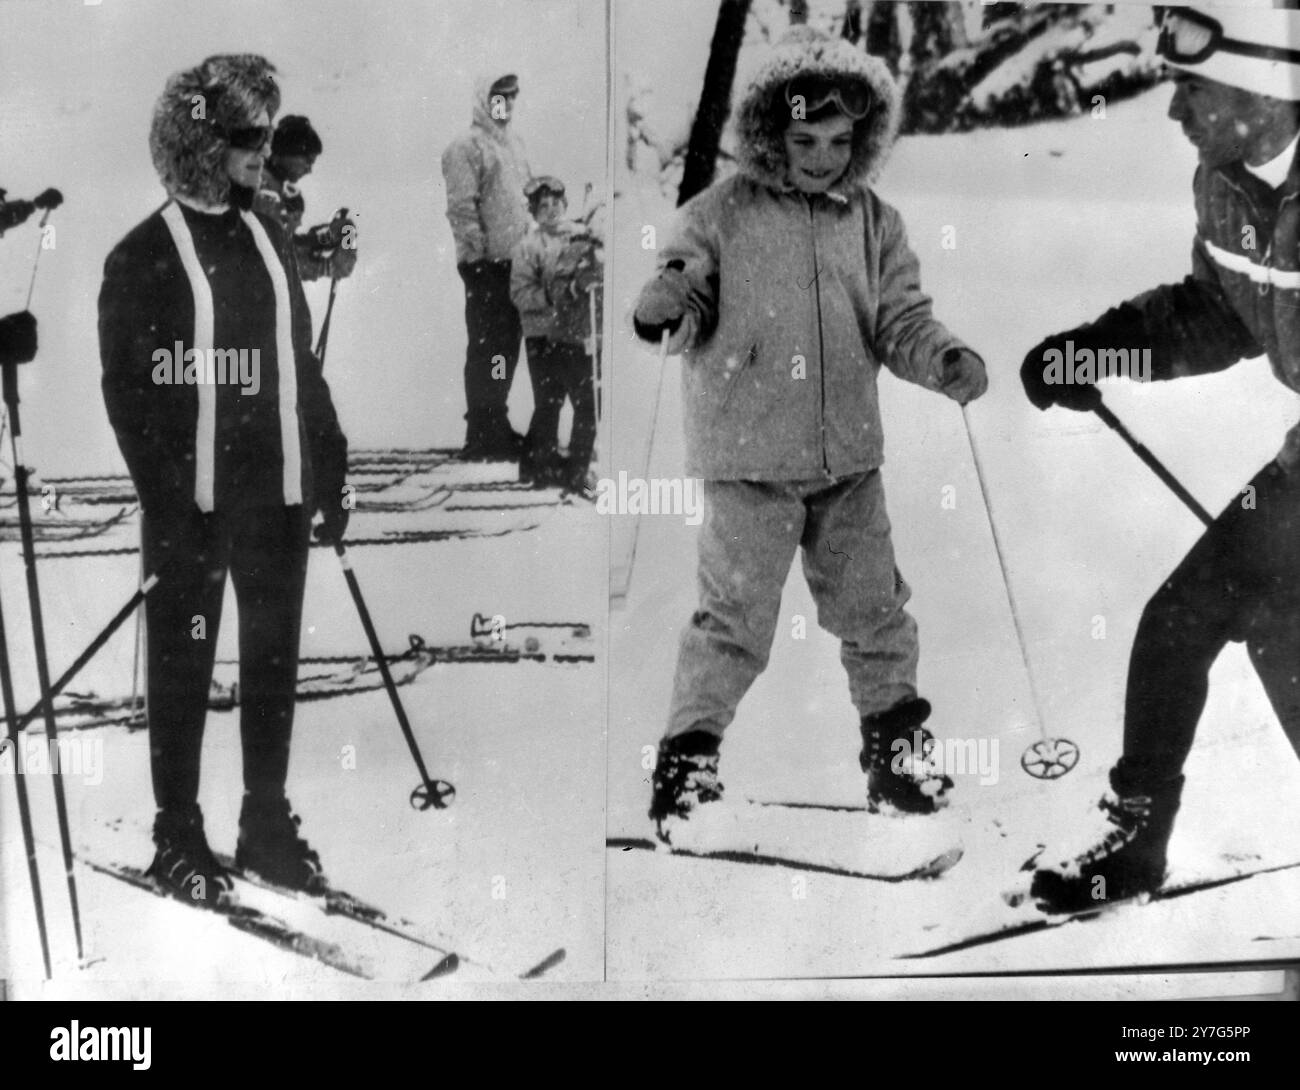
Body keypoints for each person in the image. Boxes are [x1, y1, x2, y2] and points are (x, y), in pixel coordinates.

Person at [631, 26, 987, 843]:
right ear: (767, 134)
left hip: (847, 459)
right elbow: (680, 295)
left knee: (877, 611)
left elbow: (901, 319)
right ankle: (686, 767)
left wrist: (944, 359)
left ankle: (897, 756)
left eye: (839, 141)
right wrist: (663, 306)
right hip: (748, 457)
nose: (823, 157)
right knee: (735, 621)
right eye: (803, 141)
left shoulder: (874, 221)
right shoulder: (717, 214)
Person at [1020, 5, 1300, 911]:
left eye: (1192, 88)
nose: (1174, 111)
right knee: (1185, 617)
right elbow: (1218, 313)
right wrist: (1096, 348)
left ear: (1267, 88)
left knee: (1280, 626)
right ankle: (1135, 846)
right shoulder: (1222, 185)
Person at [99, 54, 350, 905]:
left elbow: (298, 366)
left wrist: (332, 464)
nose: (261, 151)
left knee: (273, 658)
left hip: (276, 493)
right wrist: (165, 501)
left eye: (266, 134)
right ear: (201, 142)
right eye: (246, 136)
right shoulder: (142, 254)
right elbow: (127, 394)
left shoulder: (268, 239)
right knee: (185, 660)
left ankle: (264, 823)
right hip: (196, 505)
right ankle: (178, 831)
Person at [441, 72, 531, 461]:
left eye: (511, 98)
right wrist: (476, 258)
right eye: (498, 97)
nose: (505, 105)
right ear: (484, 100)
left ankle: (496, 420)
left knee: (506, 347)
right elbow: (462, 206)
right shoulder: (465, 147)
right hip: (485, 265)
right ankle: (481, 429)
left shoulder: (514, 146)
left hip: (517, 263)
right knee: (487, 346)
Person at [509, 175, 602, 493]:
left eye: (555, 204)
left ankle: (563, 465)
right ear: (534, 212)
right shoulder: (529, 246)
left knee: (576, 401)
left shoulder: (576, 238)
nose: (550, 211)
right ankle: (536, 465)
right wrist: (554, 297)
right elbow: (520, 294)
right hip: (540, 335)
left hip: (570, 335)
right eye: (542, 206)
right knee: (548, 402)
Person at [254, 114, 357, 284]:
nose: (309, 169)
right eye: (307, 160)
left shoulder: (276, 188)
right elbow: (267, 258)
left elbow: (285, 243)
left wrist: (325, 237)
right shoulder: (264, 190)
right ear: (287, 151)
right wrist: (325, 267)